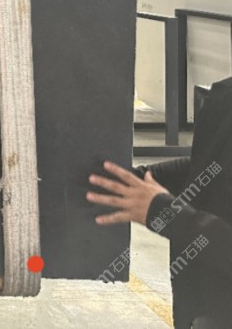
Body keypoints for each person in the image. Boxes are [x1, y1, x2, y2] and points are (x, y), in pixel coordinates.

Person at [87, 75, 232, 329]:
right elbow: (214, 165)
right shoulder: (225, 95)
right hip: (205, 302)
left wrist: (162, 211)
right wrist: (141, 180)